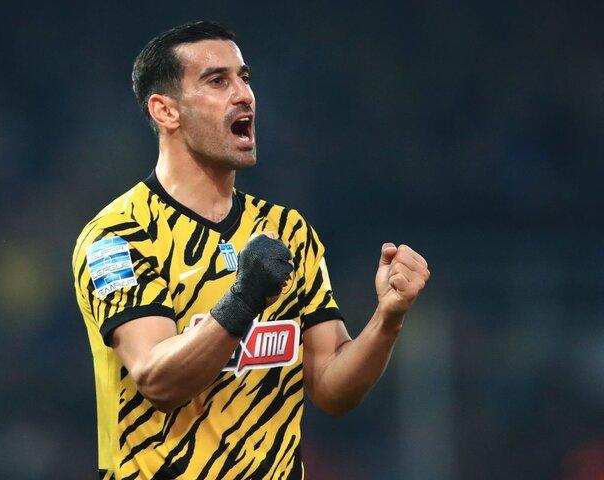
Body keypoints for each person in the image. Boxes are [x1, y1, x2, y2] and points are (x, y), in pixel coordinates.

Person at [72, 21, 430, 480]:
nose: (244, 95)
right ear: (165, 111)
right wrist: (244, 298)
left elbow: (331, 389)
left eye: (244, 78)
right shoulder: (119, 236)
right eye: (217, 81)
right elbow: (157, 379)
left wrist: (388, 318)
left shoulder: (288, 231)